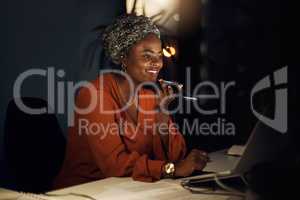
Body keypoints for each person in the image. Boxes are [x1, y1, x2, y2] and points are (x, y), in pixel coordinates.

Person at [53, 14, 208, 189]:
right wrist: (170, 169)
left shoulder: (150, 99)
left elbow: (177, 157)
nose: (157, 63)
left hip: (128, 190)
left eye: (159, 55)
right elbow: (114, 165)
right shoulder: (94, 95)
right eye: (147, 56)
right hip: (83, 191)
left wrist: (163, 115)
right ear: (123, 58)